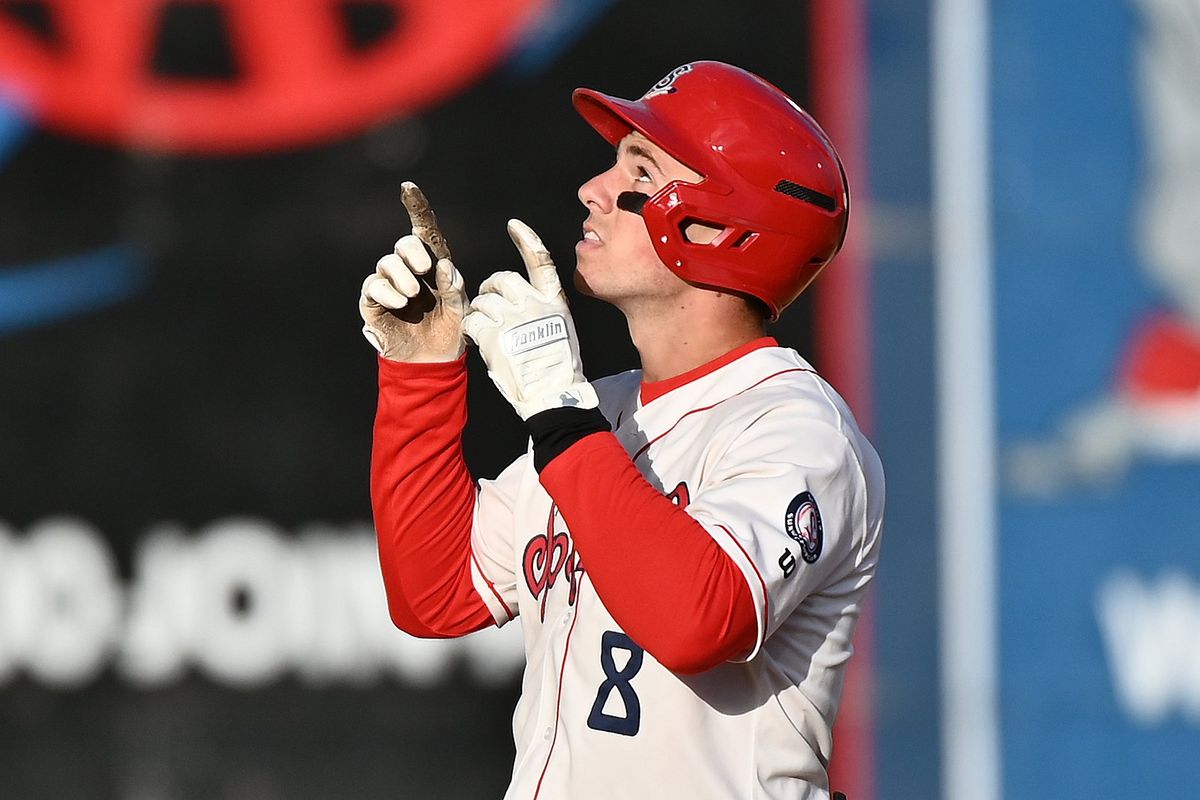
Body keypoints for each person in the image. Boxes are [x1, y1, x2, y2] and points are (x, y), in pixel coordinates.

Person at [359, 61, 884, 800]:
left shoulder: (795, 428)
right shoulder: (596, 411)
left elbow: (702, 620)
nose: (592, 190)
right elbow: (437, 595)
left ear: (717, 224)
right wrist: (420, 377)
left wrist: (562, 417)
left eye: (638, 169)